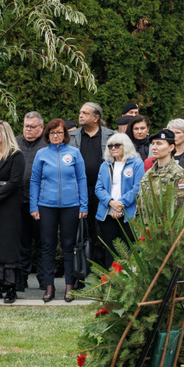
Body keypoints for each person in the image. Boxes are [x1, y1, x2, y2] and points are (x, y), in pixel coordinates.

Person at [31, 119, 87, 303]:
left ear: (65, 135)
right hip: (46, 205)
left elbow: (82, 179)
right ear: (47, 135)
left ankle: (69, 286)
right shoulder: (41, 154)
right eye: (52, 132)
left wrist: (83, 205)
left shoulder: (74, 153)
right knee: (47, 246)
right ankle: (49, 287)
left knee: (68, 246)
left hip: (71, 206)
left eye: (59, 132)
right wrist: (34, 206)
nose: (56, 136)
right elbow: (35, 181)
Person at [0, 121, 25, 303]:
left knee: (7, 244)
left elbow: (15, 181)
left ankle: (10, 288)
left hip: (8, 204)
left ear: (4, 134)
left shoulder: (16, 155)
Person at [69, 102, 113, 260]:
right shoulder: (71, 137)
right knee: (78, 230)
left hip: (102, 190)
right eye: (80, 112)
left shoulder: (111, 136)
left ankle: (100, 267)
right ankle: (80, 267)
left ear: (96, 118)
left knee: (101, 230)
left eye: (85, 113)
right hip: (77, 190)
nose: (80, 116)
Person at [94, 133, 144, 268]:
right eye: (110, 146)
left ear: (126, 146)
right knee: (110, 250)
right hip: (107, 213)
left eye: (117, 145)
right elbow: (98, 188)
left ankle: (128, 279)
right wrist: (111, 202)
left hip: (128, 214)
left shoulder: (137, 164)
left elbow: (138, 187)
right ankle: (111, 279)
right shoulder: (105, 165)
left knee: (129, 250)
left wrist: (121, 204)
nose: (113, 148)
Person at [16, 111, 46, 291]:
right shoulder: (15, 143)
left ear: (41, 127)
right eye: (26, 126)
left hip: (42, 202)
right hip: (18, 201)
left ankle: (44, 279)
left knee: (43, 242)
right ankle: (21, 279)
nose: (28, 130)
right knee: (22, 242)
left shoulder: (47, 144)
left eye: (32, 127)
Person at [138, 129, 184, 213]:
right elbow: (140, 206)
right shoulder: (148, 174)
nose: (154, 147)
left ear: (171, 147)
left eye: (159, 144)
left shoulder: (179, 175)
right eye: (153, 144)